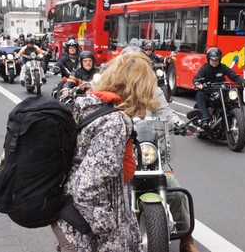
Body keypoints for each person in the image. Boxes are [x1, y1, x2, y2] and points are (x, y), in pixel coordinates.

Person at [52, 51, 158, 252]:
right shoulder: (114, 122)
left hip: (70, 224)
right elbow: (87, 188)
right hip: (86, 237)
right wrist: (110, 229)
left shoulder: (90, 104)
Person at [121, 46, 199, 252]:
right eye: (130, 65)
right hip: (120, 156)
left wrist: (181, 125)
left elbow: (166, 112)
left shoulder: (152, 90)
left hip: (149, 153)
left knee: (175, 192)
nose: (134, 70)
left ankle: (186, 239)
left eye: (138, 66)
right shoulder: (114, 90)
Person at [193, 47, 245, 128]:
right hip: (208, 93)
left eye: (216, 60)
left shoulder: (222, 67)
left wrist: (244, 82)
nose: (214, 62)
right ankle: (204, 119)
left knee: (233, 97)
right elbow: (197, 78)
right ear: (208, 59)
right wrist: (198, 84)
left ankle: (241, 119)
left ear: (219, 59)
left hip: (221, 91)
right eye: (212, 60)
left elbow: (233, 76)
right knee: (199, 95)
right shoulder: (205, 68)